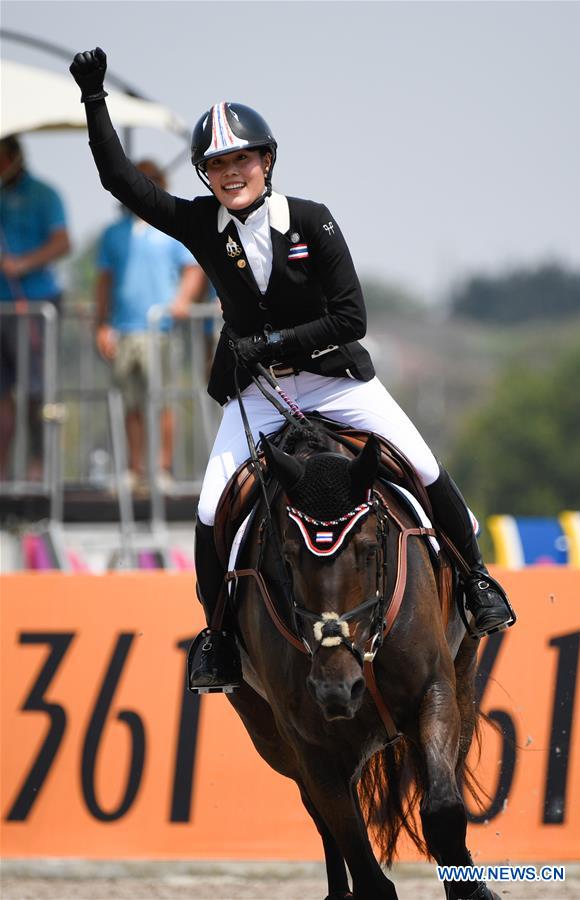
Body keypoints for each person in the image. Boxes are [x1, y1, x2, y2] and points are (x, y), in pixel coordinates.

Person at [70, 48, 515, 693]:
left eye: (242, 159)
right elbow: (121, 182)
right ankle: (219, 638)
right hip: (258, 396)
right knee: (208, 510)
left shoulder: (311, 219)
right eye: (217, 165)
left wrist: (272, 341)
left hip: (338, 382)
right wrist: (94, 98)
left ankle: (475, 583)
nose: (231, 173)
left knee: (421, 466)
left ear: (266, 162)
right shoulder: (202, 225)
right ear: (205, 174)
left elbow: (350, 318)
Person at [95, 158, 206, 490]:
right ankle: (134, 469)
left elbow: (192, 269)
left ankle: (162, 470)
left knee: (163, 402)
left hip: (161, 330)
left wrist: (182, 301)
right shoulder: (113, 233)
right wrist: (101, 325)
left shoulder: (170, 226)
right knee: (130, 405)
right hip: (123, 329)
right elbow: (103, 282)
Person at [0, 135, 71, 480]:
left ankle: (36, 472)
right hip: (2, 307)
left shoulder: (45, 193)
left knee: (34, 391)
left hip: (35, 305)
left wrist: (23, 264)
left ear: (14, 157)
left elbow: (63, 242)